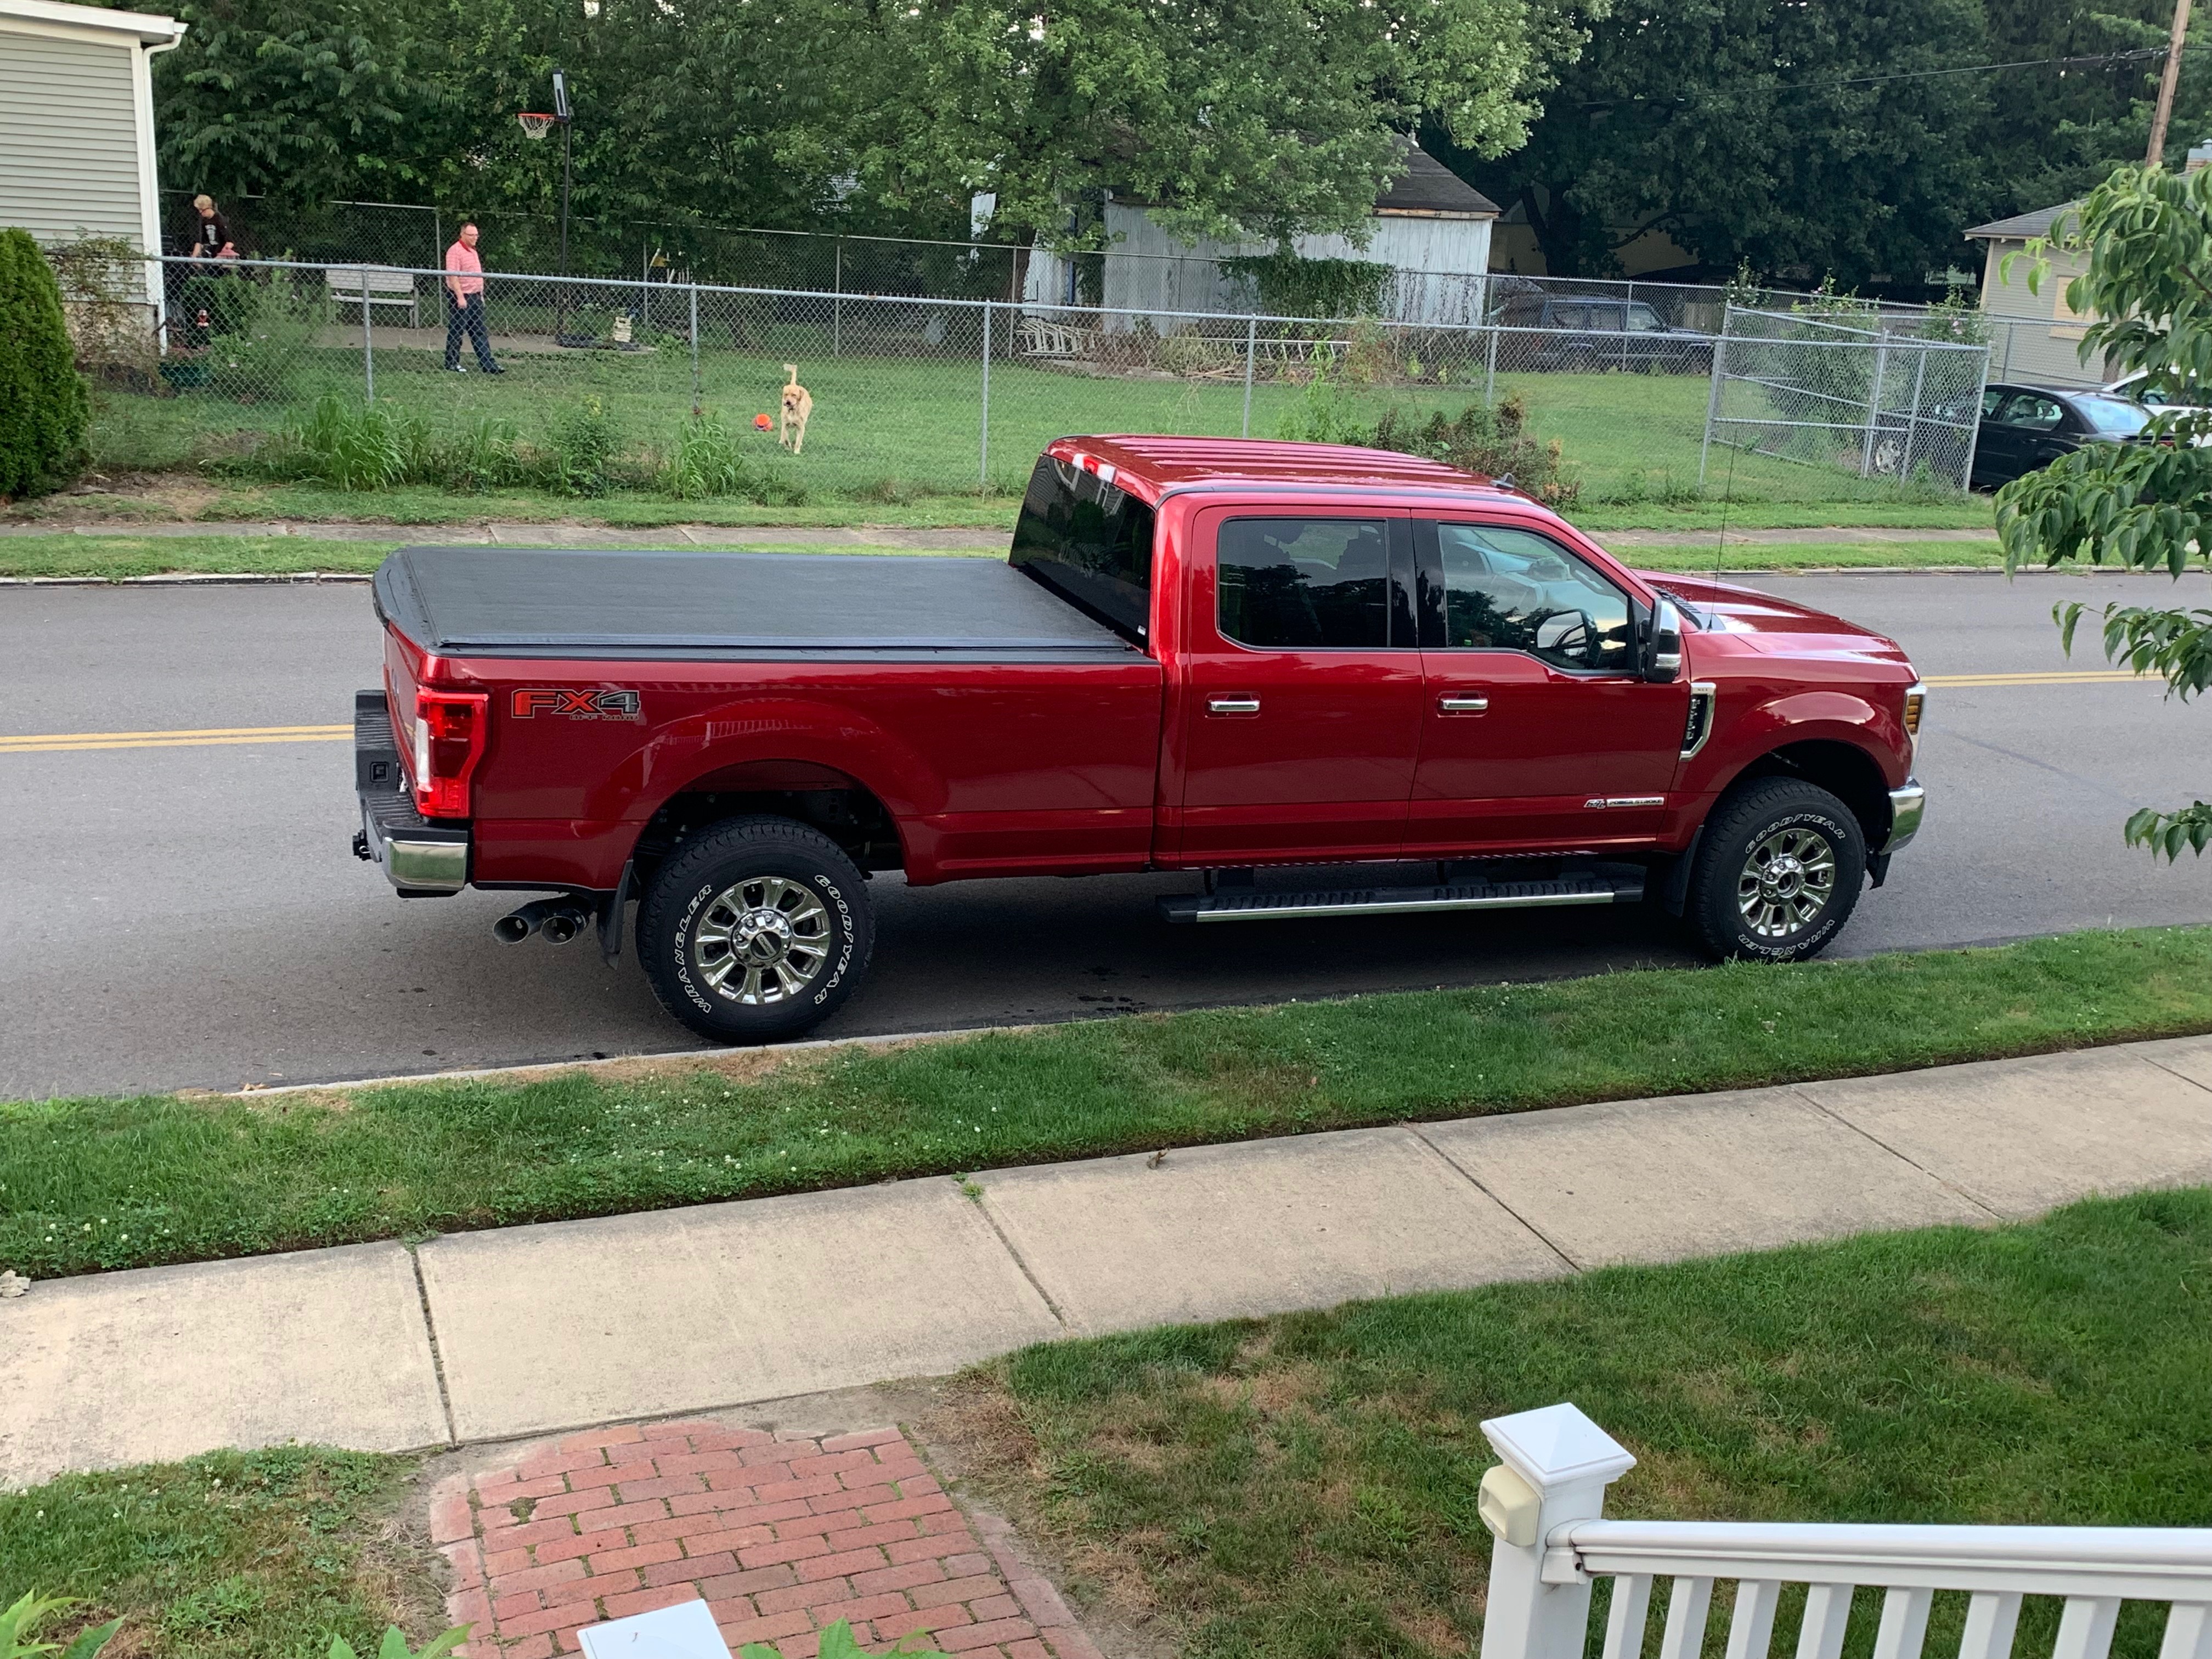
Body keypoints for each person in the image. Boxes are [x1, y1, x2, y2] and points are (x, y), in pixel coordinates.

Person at [443, 222, 503, 373]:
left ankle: (488, 365)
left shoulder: (473, 251)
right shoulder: (455, 251)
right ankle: (452, 363)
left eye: (477, 235)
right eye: (472, 235)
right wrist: (460, 297)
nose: (475, 238)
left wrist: (480, 295)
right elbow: (453, 276)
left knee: (479, 331)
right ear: (463, 235)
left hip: (475, 296)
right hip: (462, 297)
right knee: (457, 331)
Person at [184, 195, 236, 259]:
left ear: (209, 208)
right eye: (199, 210)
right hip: (212, 254)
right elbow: (200, 242)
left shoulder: (220, 220)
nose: (200, 212)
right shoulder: (204, 221)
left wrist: (219, 258)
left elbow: (230, 243)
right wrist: (194, 258)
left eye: (202, 210)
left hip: (224, 256)